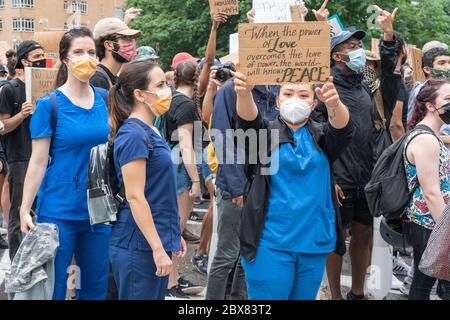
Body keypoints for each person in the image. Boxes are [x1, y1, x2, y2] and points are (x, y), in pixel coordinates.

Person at [234, 70, 353, 299]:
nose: (295, 99)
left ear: (313, 102)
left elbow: (343, 129)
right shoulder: (264, 135)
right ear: (278, 101)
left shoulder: (322, 136)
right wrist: (244, 93)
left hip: (314, 243)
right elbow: (248, 121)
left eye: (303, 95)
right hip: (270, 244)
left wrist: (335, 103)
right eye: (288, 93)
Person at [19, 27, 111, 300]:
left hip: (98, 212)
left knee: (94, 290)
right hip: (58, 212)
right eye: (79, 52)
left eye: (92, 52)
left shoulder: (106, 100)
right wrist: (25, 208)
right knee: (54, 290)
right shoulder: (49, 105)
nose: (87, 58)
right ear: (65, 59)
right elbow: (37, 162)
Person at [325, 7, 401, 300]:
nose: (358, 51)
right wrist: (329, 177)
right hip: (338, 178)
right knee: (335, 240)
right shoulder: (326, 88)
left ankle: (357, 292)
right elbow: (319, 137)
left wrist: (388, 35)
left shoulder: (366, 85)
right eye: (351, 47)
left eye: (359, 46)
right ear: (337, 56)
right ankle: (335, 294)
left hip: (366, 177)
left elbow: (391, 73)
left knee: (364, 235)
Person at [108, 59, 186, 300]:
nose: (167, 91)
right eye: (160, 85)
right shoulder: (133, 134)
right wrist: (157, 247)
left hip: (151, 240)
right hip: (138, 245)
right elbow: (134, 196)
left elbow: (158, 190)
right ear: (140, 95)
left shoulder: (150, 129)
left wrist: (172, 234)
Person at [404, 78, 450, 300]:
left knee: (423, 284)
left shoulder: (430, 135)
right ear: (431, 106)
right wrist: (447, 231)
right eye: (448, 99)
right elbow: (431, 192)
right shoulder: (426, 140)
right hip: (430, 224)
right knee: (426, 286)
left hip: (430, 223)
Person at [0, 40, 45, 260]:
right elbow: (2, 127)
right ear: (24, 61)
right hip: (21, 157)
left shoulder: (46, 87)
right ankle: (17, 263)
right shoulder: (9, 90)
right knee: (20, 210)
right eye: (37, 57)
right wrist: (22, 114)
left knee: (41, 211)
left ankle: (37, 260)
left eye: (43, 56)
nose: (41, 61)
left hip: (45, 157)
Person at [164, 60, 205, 298]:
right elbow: (186, 144)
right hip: (181, 167)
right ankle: (169, 284)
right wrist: (196, 180)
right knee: (175, 228)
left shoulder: (171, 98)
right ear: (196, 79)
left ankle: (174, 278)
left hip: (172, 165)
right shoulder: (186, 104)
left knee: (173, 227)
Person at [90, 17, 141, 90]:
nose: (131, 44)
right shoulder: (97, 79)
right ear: (109, 45)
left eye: (132, 39)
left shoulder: (114, 79)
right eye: (125, 38)